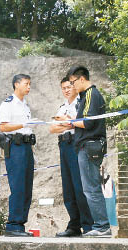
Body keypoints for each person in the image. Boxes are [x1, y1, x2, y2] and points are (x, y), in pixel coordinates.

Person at [68, 66, 111, 237]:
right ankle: (101, 225)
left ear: (82, 79)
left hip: (89, 146)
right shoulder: (87, 95)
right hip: (88, 146)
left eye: (73, 82)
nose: (72, 86)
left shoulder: (91, 94)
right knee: (91, 187)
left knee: (91, 188)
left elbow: (87, 122)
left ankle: (102, 226)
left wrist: (69, 121)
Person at [49, 77, 93, 237]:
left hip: (76, 144)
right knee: (68, 188)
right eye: (63, 88)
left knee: (80, 186)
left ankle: (88, 225)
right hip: (63, 145)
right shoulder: (63, 107)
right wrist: (66, 123)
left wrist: (67, 123)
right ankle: (74, 224)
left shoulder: (80, 104)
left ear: (75, 86)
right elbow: (52, 129)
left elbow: (77, 124)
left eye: (69, 87)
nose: (66, 90)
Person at [0, 74, 37, 237]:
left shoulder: (24, 104)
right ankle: (13, 224)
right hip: (16, 146)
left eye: (29, 84)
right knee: (18, 185)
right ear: (16, 84)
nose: (28, 87)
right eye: (26, 84)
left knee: (27, 186)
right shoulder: (8, 104)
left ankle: (20, 224)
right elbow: (3, 127)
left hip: (27, 146)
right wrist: (24, 124)